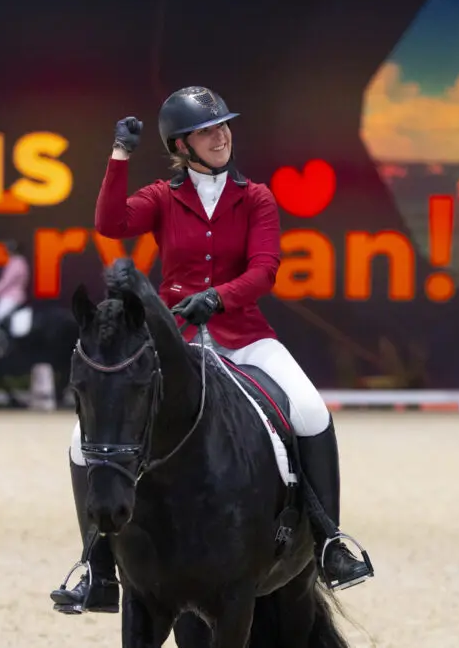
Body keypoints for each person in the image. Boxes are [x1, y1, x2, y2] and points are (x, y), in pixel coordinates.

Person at [50, 86, 372, 615]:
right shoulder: (161, 196)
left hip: (243, 334)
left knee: (311, 411)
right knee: (80, 441)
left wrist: (219, 298)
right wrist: (119, 157)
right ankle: (97, 563)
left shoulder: (258, 197)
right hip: (173, 339)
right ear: (182, 145)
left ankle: (330, 541)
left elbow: (264, 269)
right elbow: (111, 224)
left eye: (224, 126)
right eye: (207, 130)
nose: (221, 135)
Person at [0, 239, 30, 358]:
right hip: (11, 295)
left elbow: (6, 282)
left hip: (11, 297)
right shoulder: (16, 262)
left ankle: (2, 345)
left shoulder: (17, 263)